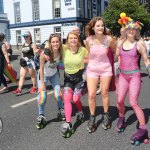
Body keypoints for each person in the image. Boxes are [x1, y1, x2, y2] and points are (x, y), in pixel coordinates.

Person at [116, 19, 150, 145]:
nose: (131, 31)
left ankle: (143, 129)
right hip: (122, 76)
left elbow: (146, 61)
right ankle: (121, 118)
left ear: (136, 31)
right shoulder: (120, 42)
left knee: (133, 102)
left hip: (135, 76)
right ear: (125, 30)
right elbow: (115, 57)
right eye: (129, 28)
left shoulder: (139, 44)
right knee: (119, 100)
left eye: (133, 29)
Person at [85, 17, 116, 132]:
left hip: (105, 69)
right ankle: (92, 117)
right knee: (92, 94)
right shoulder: (88, 40)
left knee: (104, 92)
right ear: (93, 27)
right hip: (92, 69)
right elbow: (88, 53)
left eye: (102, 25)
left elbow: (114, 50)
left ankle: (106, 115)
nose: (100, 27)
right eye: (98, 26)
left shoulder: (109, 39)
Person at [61, 31, 88, 138]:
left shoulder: (83, 50)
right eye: (70, 38)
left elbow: (93, 57)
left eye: (75, 38)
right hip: (68, 79)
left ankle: (81, 111)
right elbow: (52, 45)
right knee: (67, 99)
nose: (73, 40)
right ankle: (68, 123)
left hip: (79, 79)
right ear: (67, 40)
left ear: (78, 40)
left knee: (76, 99)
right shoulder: (64, 49)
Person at [36, 33, 65, 129]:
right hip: (43, 75)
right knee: (42, 96)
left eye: (57, 41)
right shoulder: (45, 54)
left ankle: (61, 110)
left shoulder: (61, 51)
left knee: (58, 94)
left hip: (54, 74)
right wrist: (43, 84)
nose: (55, 44)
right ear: (50, 43)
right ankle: (41, 115)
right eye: (53, 42)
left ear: (60, 42)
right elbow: (40, 68)